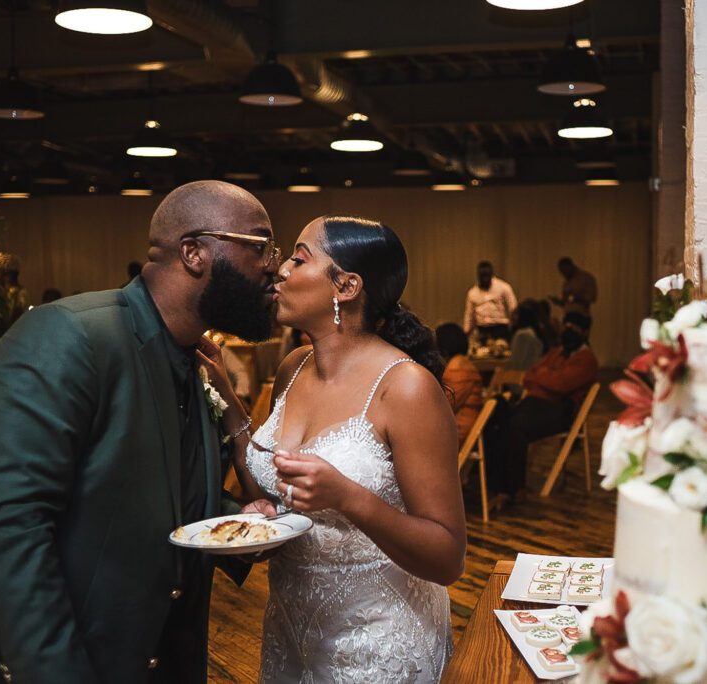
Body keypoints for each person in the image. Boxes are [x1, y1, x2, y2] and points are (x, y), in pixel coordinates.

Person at [0, 180, 279, 684]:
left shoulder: (190, 359)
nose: (274, 264)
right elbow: (7, 530)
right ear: (193, 252)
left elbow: (148, 493)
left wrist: (240, 524)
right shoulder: (68, 336)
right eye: (261, 246)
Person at [204, 215, 466, 682]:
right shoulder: (292, 367)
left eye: (299, 259)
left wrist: (348, 496)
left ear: (345, 286)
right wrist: (224, 397)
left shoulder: (405, 389)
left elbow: (447, 557)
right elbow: (273, 480)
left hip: (377, 643)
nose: (280, 269)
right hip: (292, 631)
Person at [484, 312, 598, 498]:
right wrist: (548, 375)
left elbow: (560, 385)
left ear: (584, 333)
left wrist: (544, 375)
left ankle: (512, 488)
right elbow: (529, 375)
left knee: (515, 427)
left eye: (573, 328)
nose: (567, 330)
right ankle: (492, 481)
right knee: (496, 417)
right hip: (534, 403)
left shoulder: (587, 360)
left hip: (558, 410)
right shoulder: (557, 353)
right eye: (566, 325)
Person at [435, 322, 484, 444]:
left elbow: (444, 406)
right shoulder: (464, 363)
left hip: (458, 433)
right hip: (464, 429)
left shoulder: (457, 369)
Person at [463, 260, 517, 342]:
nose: (485, 279)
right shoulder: (472, 293)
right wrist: (466, 333)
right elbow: (469, 315)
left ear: (491, 274)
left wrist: (515, 329)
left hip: (500, 329)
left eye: (487, 275)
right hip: (482, 330)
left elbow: (513, 309)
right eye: (483, 276)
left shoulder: (504, 288)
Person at [507, 299, 547, 372]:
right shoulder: (533, 332)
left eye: (516, 314)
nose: (512, 316)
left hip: (523, 379)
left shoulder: (522, 335)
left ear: (524, 316)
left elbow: (516, 365)